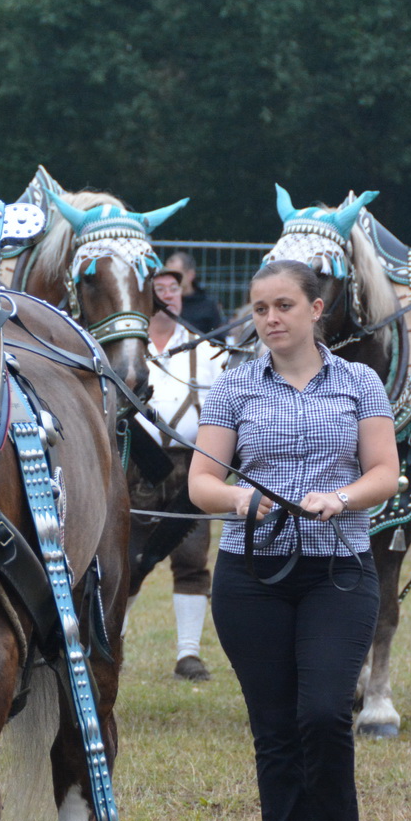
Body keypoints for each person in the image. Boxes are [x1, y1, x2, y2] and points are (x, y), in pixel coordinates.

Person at [188, 260, 399, 821]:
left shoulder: (359, 382)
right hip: (251, 576)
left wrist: (340, 497)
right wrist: (241, 499)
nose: (271, 319)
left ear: (316, 309)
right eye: (259, 309)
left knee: (325, 712)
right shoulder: (232, 387)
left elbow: (384, 472)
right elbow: (201, 481)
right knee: (274, 725)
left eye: (283, 305)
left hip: (337, 570)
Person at [147, 264, 226, 681]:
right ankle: (110, 644)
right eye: (158, 288)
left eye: (173, 288)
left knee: (193, 559)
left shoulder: (208, 349)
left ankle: (188, 655)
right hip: (135, 465)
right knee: (122, 559)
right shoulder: (127, 345)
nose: (167, 295)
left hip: (190, 464)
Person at [163, 250, 225, 333]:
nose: (171, 279)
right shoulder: (162, 302)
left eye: (176, 275)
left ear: (190, 275)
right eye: (167, 275)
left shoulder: (208, 306)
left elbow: (219, 337)